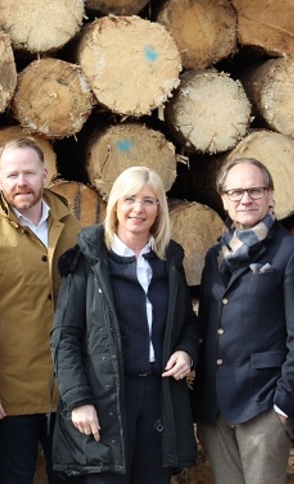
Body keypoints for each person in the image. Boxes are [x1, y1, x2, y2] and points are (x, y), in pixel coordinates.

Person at [51, 166, 199, 483]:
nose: (138, 209)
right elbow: (64, 338)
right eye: (129, 198)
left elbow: (187, 321)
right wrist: (79, 400)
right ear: (115, 204)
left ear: (159, 209)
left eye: (149, 200)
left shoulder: (169, 261)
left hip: (158, 398)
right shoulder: (87, 261)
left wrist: (186, 352)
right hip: (104, 398)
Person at [0, 137, 81, 484]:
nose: (21, 182)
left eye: (29, 173)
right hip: (10, 396)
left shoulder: (74, 229)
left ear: (45, 174)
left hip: (69, 391)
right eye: (12, 175)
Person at [193, 157, 294, 484]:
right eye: (236, 192)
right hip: (214, 408)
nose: (245, 199)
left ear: (271, 196)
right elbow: (210, 326)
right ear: (223, 198)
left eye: (254, 190)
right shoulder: (215, 256)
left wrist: (283, 406)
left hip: (263, 404)